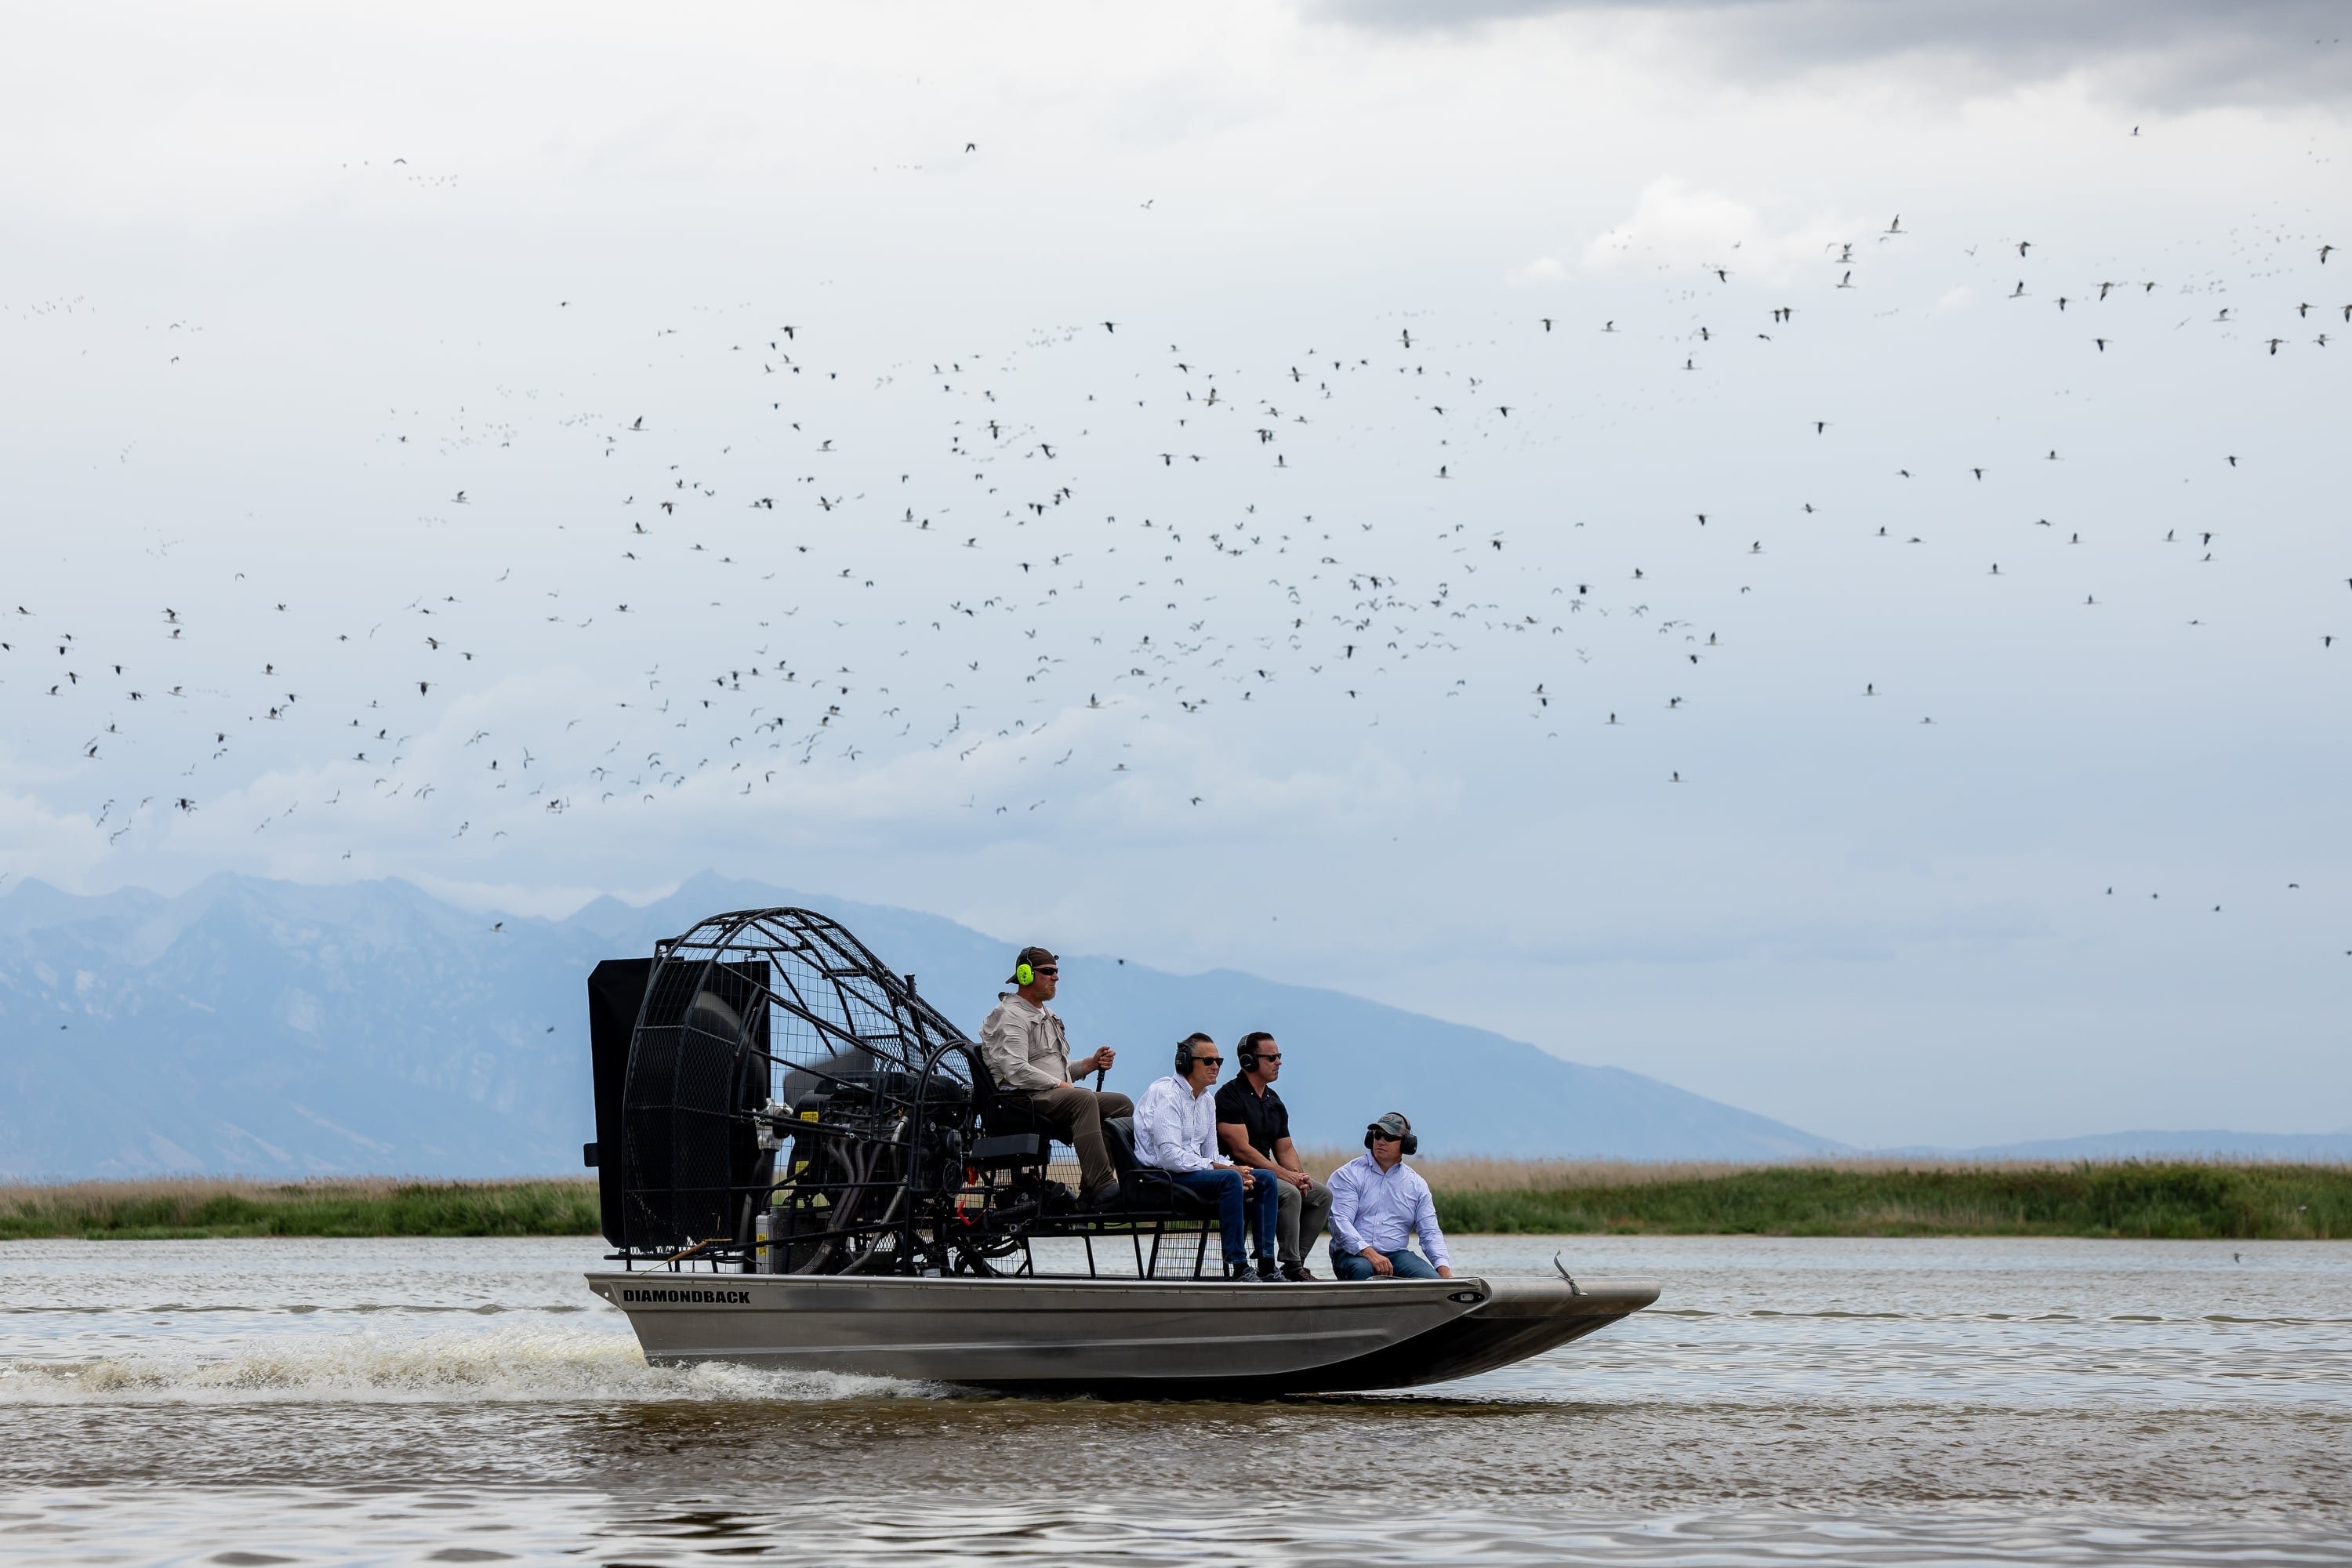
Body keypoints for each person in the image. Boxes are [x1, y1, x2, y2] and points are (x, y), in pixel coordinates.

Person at [978, 946, 1129, 1208]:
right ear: (1025, 975)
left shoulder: (1047, 1015)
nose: (1056, 977)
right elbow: (1015, 1070)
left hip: (1047, 1093)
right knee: (1082, 1100)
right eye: (1048, 972)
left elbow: (1054, 1070)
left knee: (1121, 1104)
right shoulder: (1011, 1015)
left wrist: (1090, 1064)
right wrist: (1060, 1084)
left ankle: (1091, 1191)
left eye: (1057, 972)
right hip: (1020, 1100)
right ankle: (1105, 1185)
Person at [1133, 1033, 1279, 1280]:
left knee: (1265, 1179)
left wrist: (1236, 1168)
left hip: (1191, 1171)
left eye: (1219, 1062)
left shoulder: (1207, 1101)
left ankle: (1266, 1264)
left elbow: (1211, 1152)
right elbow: (1170, 1157)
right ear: (1186, 1063)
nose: (1216, 1067)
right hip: (1163, 1177)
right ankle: (1239, 1266)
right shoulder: (1169, 1097)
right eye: (1209, 1061)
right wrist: (1222, 1169)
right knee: (1229, 1180)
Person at [1214, 1031, 1331, 1281]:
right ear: (1250, 1061)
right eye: (1272, 1057)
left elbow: (1285, 1149)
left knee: (1321, 1195)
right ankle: (1288, 1263)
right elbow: (1241, 1150)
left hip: (1271, 1175)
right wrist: (1286, 1177)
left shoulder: (1274, 1101)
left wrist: (1299, 1177)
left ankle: (1293, 1264)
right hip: (1242, 1176)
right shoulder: (1229, 1096)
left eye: (1279, 1056)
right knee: (1288, 1193)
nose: (1279, 1062)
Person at [1327, 1112, 1454, 1281]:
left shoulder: (1417, 1184)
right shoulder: (1347, 1175)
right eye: (1377, 1135)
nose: (1381, 1141)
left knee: (1431, 1281)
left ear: (1407, 1143)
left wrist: (1445, 1274)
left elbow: (1430, 1233)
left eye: (1389, 1137)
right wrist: (1369, 1253)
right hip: (1352, 1254)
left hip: (1398, 1255)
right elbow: (1340, 1222)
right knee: (1362, 1268)